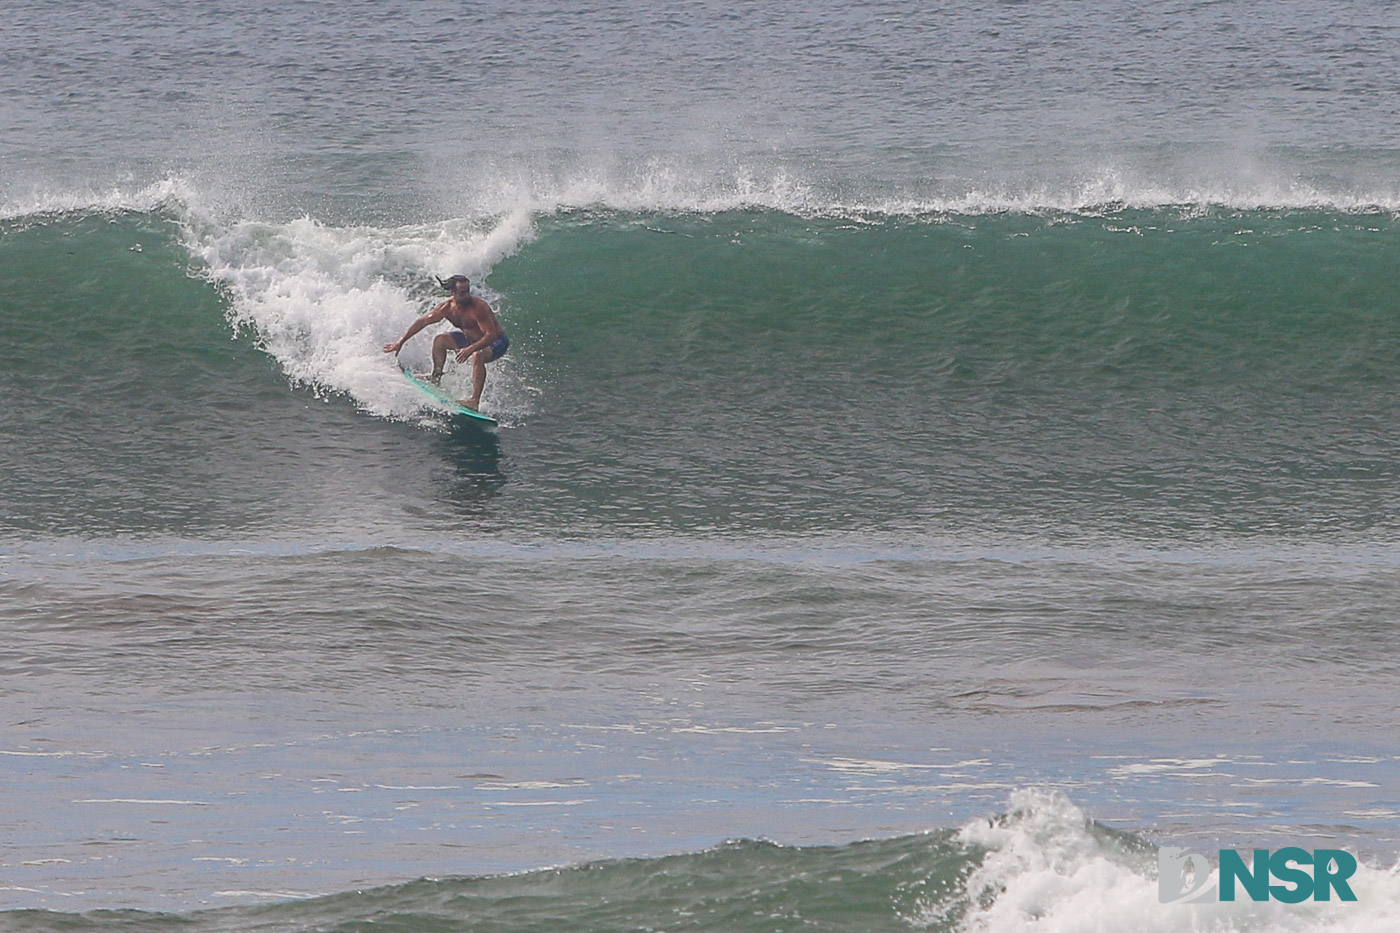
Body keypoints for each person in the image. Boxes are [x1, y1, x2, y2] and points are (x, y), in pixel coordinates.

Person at [383, 275, 509, 410]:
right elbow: (422, 322)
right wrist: (400, 342)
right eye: (462, 293)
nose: (466, 295)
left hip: (496, 342)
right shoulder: (447, 308)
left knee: (478, 354)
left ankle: (474, 401)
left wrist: (470, 349)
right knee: (440, 340)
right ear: (452, 292)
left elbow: (490, 335)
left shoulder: (478, 308)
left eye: (467, 291)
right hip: (471, 339)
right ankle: (435, 377)